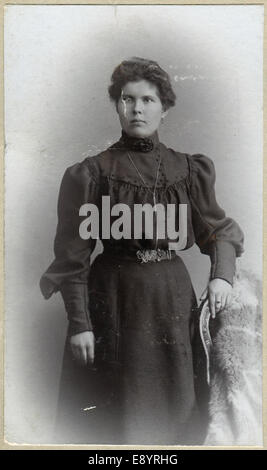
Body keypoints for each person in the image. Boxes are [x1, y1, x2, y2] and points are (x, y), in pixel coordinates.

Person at [40, 57, 244, 445]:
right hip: (112, 303)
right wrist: (81, 324)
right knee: (112, 418)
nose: (137, 109)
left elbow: (218, 232)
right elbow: (72, 258)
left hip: (170, 301)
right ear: (117, 104)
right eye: (128, 99)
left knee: (176, 411)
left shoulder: (188, 170)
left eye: (148, 100)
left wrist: (221, 275)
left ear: (164, 108)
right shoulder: (90, 173)